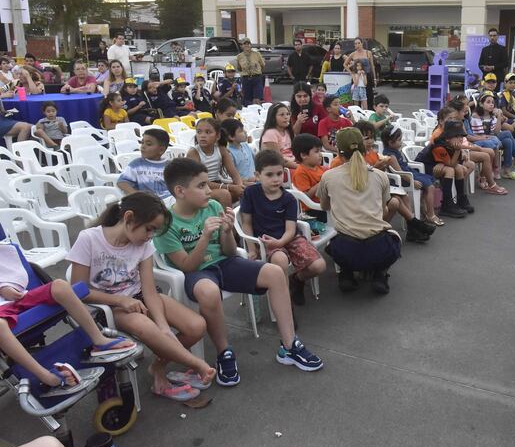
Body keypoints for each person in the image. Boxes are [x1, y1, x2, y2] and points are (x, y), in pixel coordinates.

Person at [154, 158, 323, 385]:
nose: (209, 190)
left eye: (207, 184)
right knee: (209, 291)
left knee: (274, 272)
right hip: (196, 273)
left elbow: (230, 252)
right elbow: (186, 266)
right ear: (180, 191)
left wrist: (226, 232)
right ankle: (224, 352)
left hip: (225, 263)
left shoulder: (212, 207)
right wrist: (204, 237)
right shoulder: (167, 224)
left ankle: (289, 345)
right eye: (202, 185)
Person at [69, 192, 215, 401]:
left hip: (138, 298)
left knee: (196, 326)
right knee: (145, 326)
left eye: (154, 231)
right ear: (129, 218)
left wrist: (164, 326)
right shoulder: (90, 239)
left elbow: (149, 290)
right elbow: (78, 290)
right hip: (107, 306)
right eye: (149, 228)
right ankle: (196, 364)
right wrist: (121, 300)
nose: (150, 235)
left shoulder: (143, 245)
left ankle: (157, 367)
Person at [0, 244, 136, 397]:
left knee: (60, 286)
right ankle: (47, 377)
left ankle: (99, 340)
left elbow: (6, 268)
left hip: (16, 298)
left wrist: (5, 285)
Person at [318, 128, 402, 294]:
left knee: (332, 243)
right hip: (379, 249)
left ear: (339, 153)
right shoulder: (379, 175)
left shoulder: (328, 176)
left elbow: (324, 206)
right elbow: (385, 208)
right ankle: (380, 274)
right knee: (395, 238)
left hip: (345, 249)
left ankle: (346, 274)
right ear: (365, 150)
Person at [241, 150, 327, 307]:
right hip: (265, 241)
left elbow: (290, 230)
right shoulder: (250, 193)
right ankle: (286, 305)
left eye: (279, 174)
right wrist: (252, 249)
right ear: (258, 175)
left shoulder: (288, 198)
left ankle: (297, 280)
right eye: (269, 175)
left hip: (288, 238)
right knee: (280, 260)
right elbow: (246, 222)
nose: (276, 179)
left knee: (319, 266)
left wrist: (280, 242)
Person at [381, 125, 441, 227]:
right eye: (399, 140)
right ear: (390, 142)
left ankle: (424, 208)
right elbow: (399, 172)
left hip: (409, 172)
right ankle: (430, 214)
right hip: (403, 178)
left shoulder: (394, 151)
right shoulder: (391, 156)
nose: (401, 142)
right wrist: (412, 182)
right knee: (430, 186)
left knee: (429, 180)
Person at [418, 121, 473, 218]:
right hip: (423, 168)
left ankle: (461, 199)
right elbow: (451, 165)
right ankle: (446, 205)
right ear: (447, 138)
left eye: (461, 136)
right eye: (457, 136)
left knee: (459, 168)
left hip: (438, 164)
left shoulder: (451, 145)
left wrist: (458, 151)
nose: (460, 139)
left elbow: (454, 163)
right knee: (450, 170)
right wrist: (458, 151)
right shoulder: (439, 146)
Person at [186, 117, 244, 208]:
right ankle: (227, 221)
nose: (202, 135)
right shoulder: (193, 153)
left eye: (208, 132)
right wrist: (231, 187)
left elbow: (234, 174)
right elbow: (199, 181)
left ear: (218, 136)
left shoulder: (221, 149)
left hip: (217, 183)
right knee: (224, 195)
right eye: (199, 132)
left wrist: (240, 186)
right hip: (199, 187)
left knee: (249, 187)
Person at [117, 129, 172, 201]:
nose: (143, 146)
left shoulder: (169, 166)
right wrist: (137, 195)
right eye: (142, 143)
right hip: (147, 202)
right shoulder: (136, 164)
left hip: (168, 200)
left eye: (148, 144)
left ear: (161, 150)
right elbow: (122, 182)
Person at [291, 133, 328, 222]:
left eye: (320, 151)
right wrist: (323, 181)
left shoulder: (318, 167)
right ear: (304, 155)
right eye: (316, 151)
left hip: (324, 203)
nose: (320, 154)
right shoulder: (300, 172)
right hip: (313, 210)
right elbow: (306, 196)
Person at [260, 102, 297, 169]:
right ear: (273, 118)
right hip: (280, 168)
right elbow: (278, 159)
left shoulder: (287, 131)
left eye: (288, 114)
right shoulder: (270, 133)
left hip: (292, 164)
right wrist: (300, 167)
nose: (286, 117)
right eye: (282, 115)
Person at [343, 37, 377, 107]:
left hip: (366, 76)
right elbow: (345, 64)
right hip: (356, 77)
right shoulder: (353, 54)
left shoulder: (368, 53)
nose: (357, 45)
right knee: (356, 97)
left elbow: (372, 66)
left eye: (359, 43)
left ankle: (368, 113)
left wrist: (374, 78)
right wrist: (351, 73)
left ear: (362, 44)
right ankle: (357, 114)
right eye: (355, 44)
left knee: (368, 96)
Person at [221, 118, 256, 184]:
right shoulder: (228, 153)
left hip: (255, 180)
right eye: (241, 131)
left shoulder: (245, 145)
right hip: (242, 184)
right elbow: (230, 177)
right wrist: (246, 181)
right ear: (231, 137)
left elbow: (255, 162)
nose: (245, 132)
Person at [235, 38, 265, 105]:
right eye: (244, 44)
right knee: (247, 99)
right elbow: (239, 68)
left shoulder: (257, 54)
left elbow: (262, 65)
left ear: (250, 45)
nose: (246, 45)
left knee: (257, 99)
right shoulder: (239, 56)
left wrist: (257, 71)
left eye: (248, 43)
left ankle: (258, 112)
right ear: (241, 46)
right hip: (246, 79)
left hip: (256, 78)